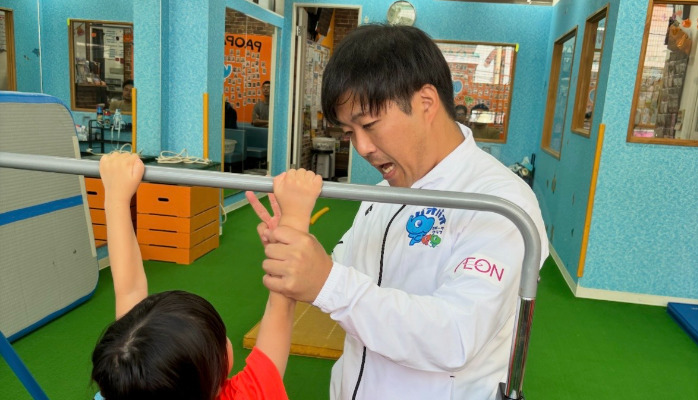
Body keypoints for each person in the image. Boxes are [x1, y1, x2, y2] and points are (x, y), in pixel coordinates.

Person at [248, 24, 548, 400]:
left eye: (369, 125)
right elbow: (346, 270)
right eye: (349, 132)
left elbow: (455, 336)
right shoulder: (382, 194)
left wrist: (325, 280)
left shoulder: (502, 202)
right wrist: (297, 253)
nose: (362, 147)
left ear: (426, 103)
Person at [91, 153, 322, 399]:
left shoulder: (122, 386)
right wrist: (294, 219)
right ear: (217, 367)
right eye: (221, 339)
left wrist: (116, 197)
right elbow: (281, 309)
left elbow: (130, 291)